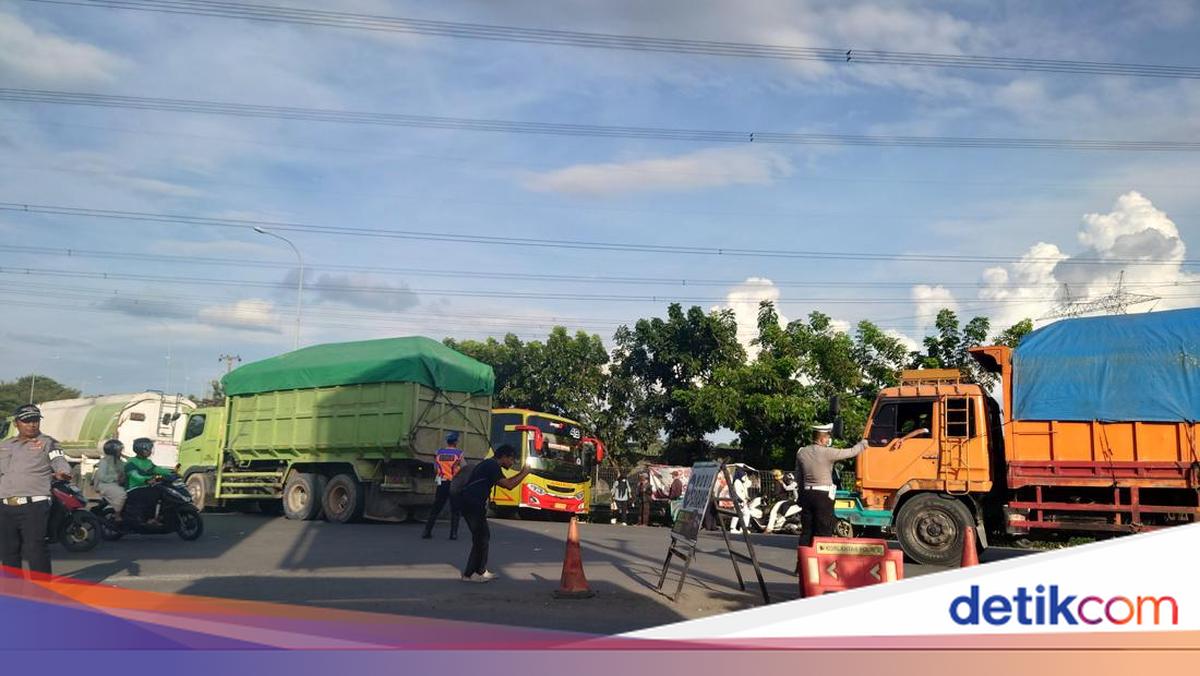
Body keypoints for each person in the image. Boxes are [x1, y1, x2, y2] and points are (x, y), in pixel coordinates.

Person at [0, 404, 71, 576]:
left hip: (34, 505)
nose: (32, 424)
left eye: (35, 420)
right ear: (16, 423)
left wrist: (63, 471)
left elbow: (58, 460)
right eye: (27, 421)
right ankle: (14, 589)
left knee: (35, 549)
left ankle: (41, 589)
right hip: (5, 505)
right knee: (8, 550)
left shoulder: (48, 443)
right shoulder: (5, 445)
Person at [452, 444, 530, 582]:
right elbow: (509, 485)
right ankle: (470, 574)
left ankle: (481, 571)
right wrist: (524, 473)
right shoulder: (492, 465)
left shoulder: (490, 464)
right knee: (480, 538)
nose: (512, 463)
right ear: (504, 457)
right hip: (472, 504)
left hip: (472, 503)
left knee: (483, 537)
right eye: (512, 459)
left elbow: (504, 483)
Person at [795, 423, 873, 548]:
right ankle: (821, 557)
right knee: (823, 529)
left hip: (807, 494)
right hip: (823, 496)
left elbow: (799, 477)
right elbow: (851, 452)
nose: (828, 440)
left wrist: (800, 496)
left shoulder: (801, 452)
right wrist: (863, 443)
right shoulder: (828, 452)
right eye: (827, 437)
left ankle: (803, 558)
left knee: (807, 531)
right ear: (822, 439)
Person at [422, 431, 463, 540]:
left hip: (442, 482)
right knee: (455, 509)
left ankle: (427, 531)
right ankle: (453, 534)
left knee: (436, 508)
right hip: (454, 483)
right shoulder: (459, 453)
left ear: (447, 441)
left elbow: (436, 469)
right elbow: (463, 468)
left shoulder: (439, 453)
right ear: (455, 442)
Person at [124, 437, 173, 526]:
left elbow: (158, 469)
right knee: (153, 494)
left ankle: (161, 516)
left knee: (166, 492)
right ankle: (149, 519)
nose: (150, 451)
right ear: (140, 449)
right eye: (149, 448)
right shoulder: (131, 462)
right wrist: (147, 480)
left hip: (146, 487)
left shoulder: (148, 462)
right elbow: (135, 476)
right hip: (133, 489)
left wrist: (172, 473)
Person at [93, 439, 127, 522]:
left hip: (117, 484)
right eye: (119, 450)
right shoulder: (105, 461)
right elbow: (102, 476)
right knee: (122, 494)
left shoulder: (120, 461)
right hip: (105, 485)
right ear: (113, 451)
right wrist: (116, 477)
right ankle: (117, 514)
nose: (121, 452)